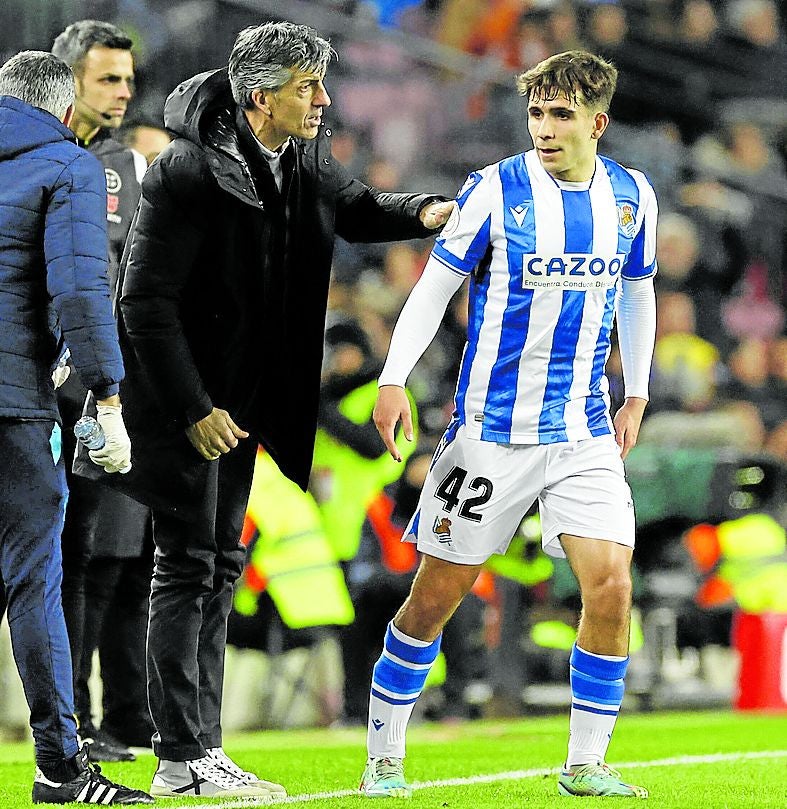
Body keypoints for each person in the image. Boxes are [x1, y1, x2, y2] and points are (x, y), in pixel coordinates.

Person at [74, 21, 454, 799]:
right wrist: (192, 406)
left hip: (242, 404)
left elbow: (355, 206)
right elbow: (141, 302)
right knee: (186, 568)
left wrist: (423, 212)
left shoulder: (299, 157)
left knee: (215, 566)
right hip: (184, 407)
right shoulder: (185, 169)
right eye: (306, 87)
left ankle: (194, 751)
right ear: (261, 96)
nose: (322, 100)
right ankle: (183, 753)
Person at [361, 50, 657, 799]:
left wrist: (637, 391)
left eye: (560, 114)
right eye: (535, 113)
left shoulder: (632, 195)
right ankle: (384, 758)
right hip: (489, 432)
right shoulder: (493, 190)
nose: (545, 128)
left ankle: (585, 763)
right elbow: (433, 290)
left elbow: (636, 292)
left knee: (611, 586)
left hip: (582, 430)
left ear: (597, 121)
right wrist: (392, 377)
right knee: (434, 596)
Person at [0, 50, 152, 805]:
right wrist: (108, 395)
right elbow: (82, 290)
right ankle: (60, 767)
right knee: (35, 582)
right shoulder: (69, 163)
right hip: (14, 404)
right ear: (64, 110)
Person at [51, 20, 153, 761]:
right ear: (68, 78)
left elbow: (131, 283)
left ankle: (79, 725)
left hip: (90, 390)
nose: (122, 92)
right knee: (44, 557)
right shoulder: (29, 153)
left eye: (126, 78)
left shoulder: (125, 167)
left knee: (83, 555)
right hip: (26, 379)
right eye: (106, 79)